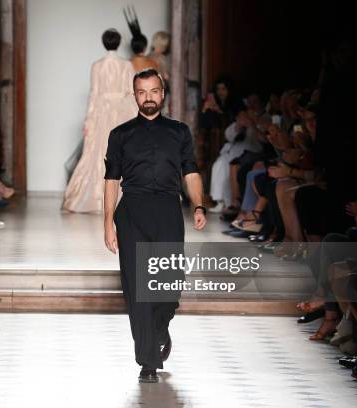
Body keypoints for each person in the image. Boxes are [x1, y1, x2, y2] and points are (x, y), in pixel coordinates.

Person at [103, 69, 206, 383]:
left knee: (171, 283)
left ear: (163, 93)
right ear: (134, 95)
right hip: (131, 210)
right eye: (141, 91)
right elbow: (110, 180)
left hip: (167, 210)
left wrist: (199, 204)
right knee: (138, 289)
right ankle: (148, 361)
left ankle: (159, 329)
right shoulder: (120, 134)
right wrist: (107, 223)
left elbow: (190, 171)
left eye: (154, 91)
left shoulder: (179, 132)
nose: (148, 97)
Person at [62, 29, 137, 213]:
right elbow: (131, 92)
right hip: (122, 112)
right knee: (123, 152)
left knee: (98, 154)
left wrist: (89, 120)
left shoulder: (97, 65)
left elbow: (94, 95)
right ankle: (123, 198)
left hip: (102, 113)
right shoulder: (127, 65)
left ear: (104, 43)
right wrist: (137, 116)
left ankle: (95, 198)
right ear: (118, 43)